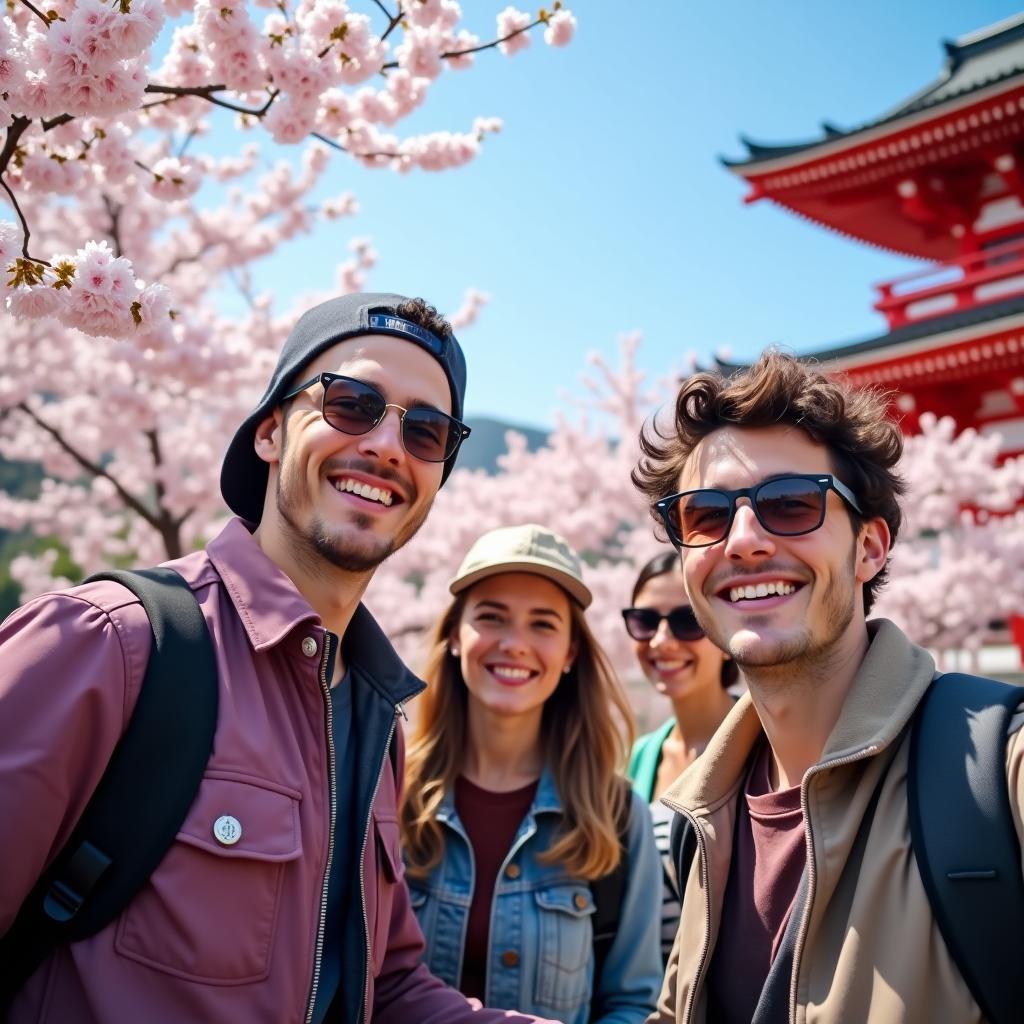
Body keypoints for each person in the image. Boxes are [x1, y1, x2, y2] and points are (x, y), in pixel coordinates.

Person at [0, 293, 564, 1024]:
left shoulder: (375, 720)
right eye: (352, 403)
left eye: (426, 431)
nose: (390, 447)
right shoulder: (107, 644)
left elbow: (385, 990)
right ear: (269, 432)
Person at [631, 349, 1024, 1023]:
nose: (744, 541)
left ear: (870, 547)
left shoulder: (998, 771)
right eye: (706, 516)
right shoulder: (703, 816)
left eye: (790, 505)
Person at [399, 523, 663, 1024]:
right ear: (456, 636)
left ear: (570, 653)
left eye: (542, 624)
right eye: (492, 618)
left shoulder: (618, 817)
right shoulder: (389, 796)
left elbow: (632, 1003)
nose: (515, 644)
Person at [623, 552, 736, 963]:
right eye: (645, 621)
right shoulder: (640, 757)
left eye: (688, 621)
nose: (661, 641)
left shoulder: (761, 743)